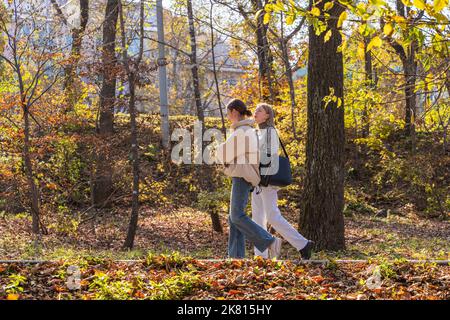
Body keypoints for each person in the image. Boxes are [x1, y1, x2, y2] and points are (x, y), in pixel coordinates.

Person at [215, 99, 282, 259]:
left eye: (228, 113)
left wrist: (216, 150)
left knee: (237, 215)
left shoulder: (242, 131)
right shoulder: (248, 130)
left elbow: (223, 154)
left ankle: (269, 241)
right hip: (245, 175)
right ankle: (236, 258)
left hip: (242, 175)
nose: (228, 116)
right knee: (234, 219)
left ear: (234, 111)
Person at [252, 103, 314, 260]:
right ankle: (261, 256)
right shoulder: (257, 133)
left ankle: (303, 244)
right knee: (258, 218)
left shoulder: (271, 132)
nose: (256, 112)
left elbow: (269, 155)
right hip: (257, 180)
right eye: (256, 109)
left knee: (272, 216)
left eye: (260, 110)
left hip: (267, 180)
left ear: (267, 116)